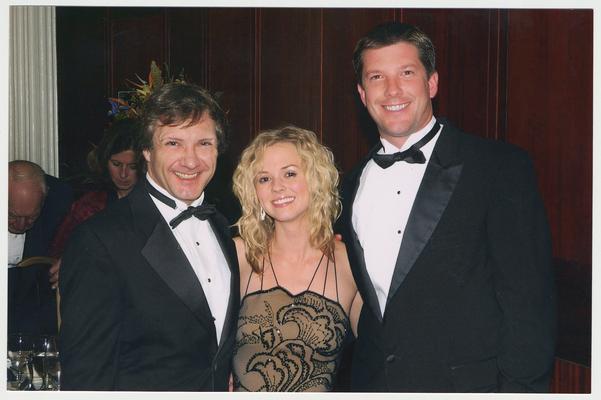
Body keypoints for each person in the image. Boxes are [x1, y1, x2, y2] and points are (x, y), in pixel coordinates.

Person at [338, 22, 555, 392]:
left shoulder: (498, 167)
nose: (392, 90)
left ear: (432, 83)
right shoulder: (350, 182)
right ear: (362, 93)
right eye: (377, 77)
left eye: (406, 73)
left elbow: (529, 305)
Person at [59, 82, 240, 391]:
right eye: (173, 143)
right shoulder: (99, 240)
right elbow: (85, 377)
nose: (191, 160)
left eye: (204, 144)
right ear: (146, 150)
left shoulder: (224, 228)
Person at [231, 126, 362, 392]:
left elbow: (382, 356)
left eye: (290, 173)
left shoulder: (350, 264)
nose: (277, 187)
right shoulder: (238, 256)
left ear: (316, 179)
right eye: (264, 179)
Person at [48, 118, 143, 288]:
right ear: (105, 161)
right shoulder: (89, 206)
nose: (123, 174)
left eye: (132, 166)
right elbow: (58, 252)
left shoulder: (155, 205)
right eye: (116, 164)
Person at [8, 160, 73, 336]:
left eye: (31, 217)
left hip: (32, 317)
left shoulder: (59, 204)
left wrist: (73, 259)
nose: (22, 225)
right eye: (12, 215)